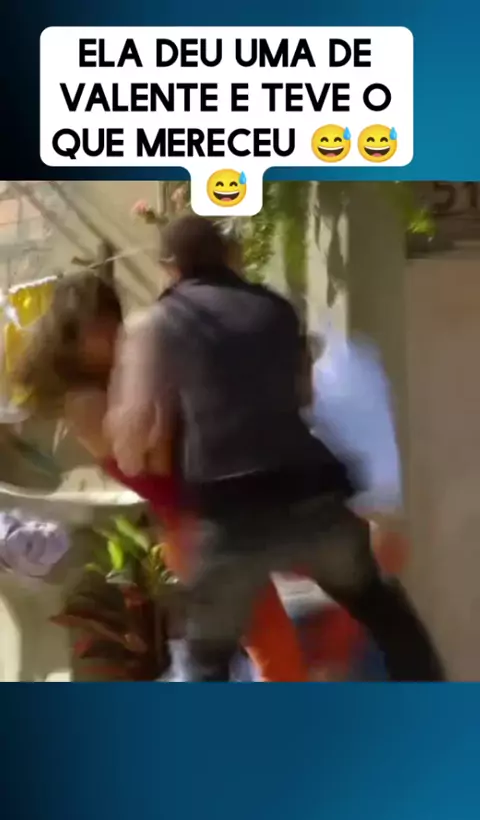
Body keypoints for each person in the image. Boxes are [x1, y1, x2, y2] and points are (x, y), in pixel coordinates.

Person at [107, 214, 445, 682]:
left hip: (232, 517)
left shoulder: (157, 323)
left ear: (170, 266)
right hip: (312, 498)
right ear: (231, 256)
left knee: (207, 659)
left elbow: (132, 436)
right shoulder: (277, 308)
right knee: (388, 616)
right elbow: (304, 396)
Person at [12, 263, 309, 682]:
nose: (112, 334)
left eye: (112, 320)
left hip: (208, 521)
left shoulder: (118, 382)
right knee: (272, 646)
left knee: (262, 644)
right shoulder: (86, 402)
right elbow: (157, 455)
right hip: (198, 530)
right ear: (72, 337)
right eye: (99, 327)